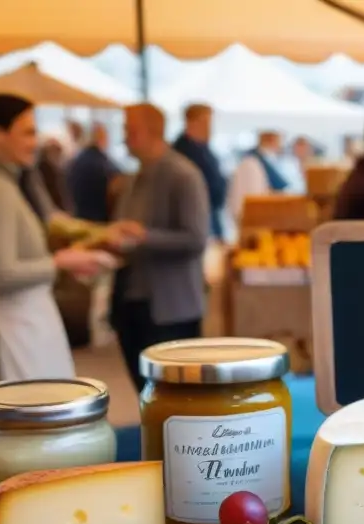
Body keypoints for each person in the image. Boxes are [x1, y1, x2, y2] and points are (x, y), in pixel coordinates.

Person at [0, 94, 114, 381]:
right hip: (12, 324)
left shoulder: (8, 182)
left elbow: (53, 222)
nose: (35, 142)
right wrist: (60, 262)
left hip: (22, 320)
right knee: (29, 417)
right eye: (28, 132)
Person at [106, 103, 210, 392]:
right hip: (131, 303)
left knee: (176, 395)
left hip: (171, 311)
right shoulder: (133, 178)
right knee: (146, 393)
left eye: (129, 129)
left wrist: (144, 236)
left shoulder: (183, 175)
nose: (124, 137)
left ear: (150, 131)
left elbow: (196, 238)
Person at [173, 104, 227, 242]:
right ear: (191, 122)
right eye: (206, 123)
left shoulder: (203, 148)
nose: (209, 128)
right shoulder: (182, 152)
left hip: (212, 214)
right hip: (197, 218)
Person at [228, 131, 288, 224]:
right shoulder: (251, 163)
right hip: (252, 220)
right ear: (272, 140)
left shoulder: (264, 161)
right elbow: (254, 200)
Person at [67, 123, 119, 223]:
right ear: (102, 138)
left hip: (78, 217)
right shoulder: (102, 163)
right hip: (99, 221)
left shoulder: (76, 161)